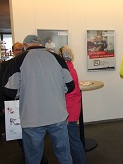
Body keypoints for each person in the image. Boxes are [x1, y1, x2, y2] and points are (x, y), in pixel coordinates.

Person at [2, 35, 75, 164]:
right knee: (64, 154)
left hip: (32, 118)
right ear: (40, 44)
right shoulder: (57, 58)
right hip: (57, 114)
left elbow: (9, 91)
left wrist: (22, 91)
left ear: (25, 46)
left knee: (34, 157)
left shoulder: (18, 60)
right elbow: (70, 85)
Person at [58, 45, 87, 164]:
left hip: (69, 112)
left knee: (74, 141)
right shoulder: (70, 68)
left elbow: (70, 94)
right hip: (72, 110)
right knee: (72, 140)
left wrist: (66, 114)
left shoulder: (66, 70)